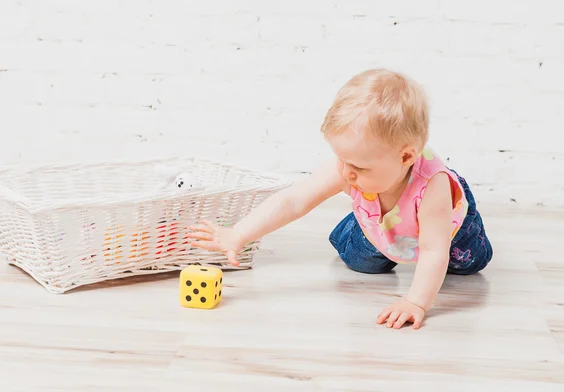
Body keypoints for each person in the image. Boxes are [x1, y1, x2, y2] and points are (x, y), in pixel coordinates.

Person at [187, 69, 493, 330]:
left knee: (466, 265)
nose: (345, 172)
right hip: (385, 224)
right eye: (340, 159)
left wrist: (415, 302)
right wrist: (239, 233)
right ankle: (365, 221)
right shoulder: (350, 167)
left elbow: (432, 251)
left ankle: (386, 224)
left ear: (406, 156)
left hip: (448, 231)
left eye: (358, 167)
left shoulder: (434, 188)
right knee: (361, 262)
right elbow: (294, 200)